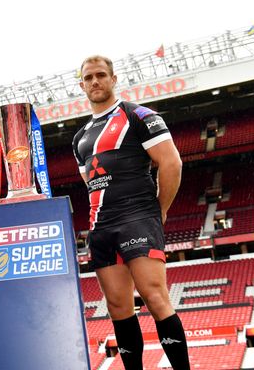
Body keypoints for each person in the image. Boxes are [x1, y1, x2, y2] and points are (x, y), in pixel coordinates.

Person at [73, 55, 189, 370]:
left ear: (113, 78)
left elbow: (171, 163)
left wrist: (159, 210)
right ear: (81, 84)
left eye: (100, 75)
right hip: (101, 226)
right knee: (118, 307)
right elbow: (90, 183)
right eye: (88, 78)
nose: (94, 82)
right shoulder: (79, 137)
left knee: (154, 297)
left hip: (137, 216)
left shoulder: (138, 115)